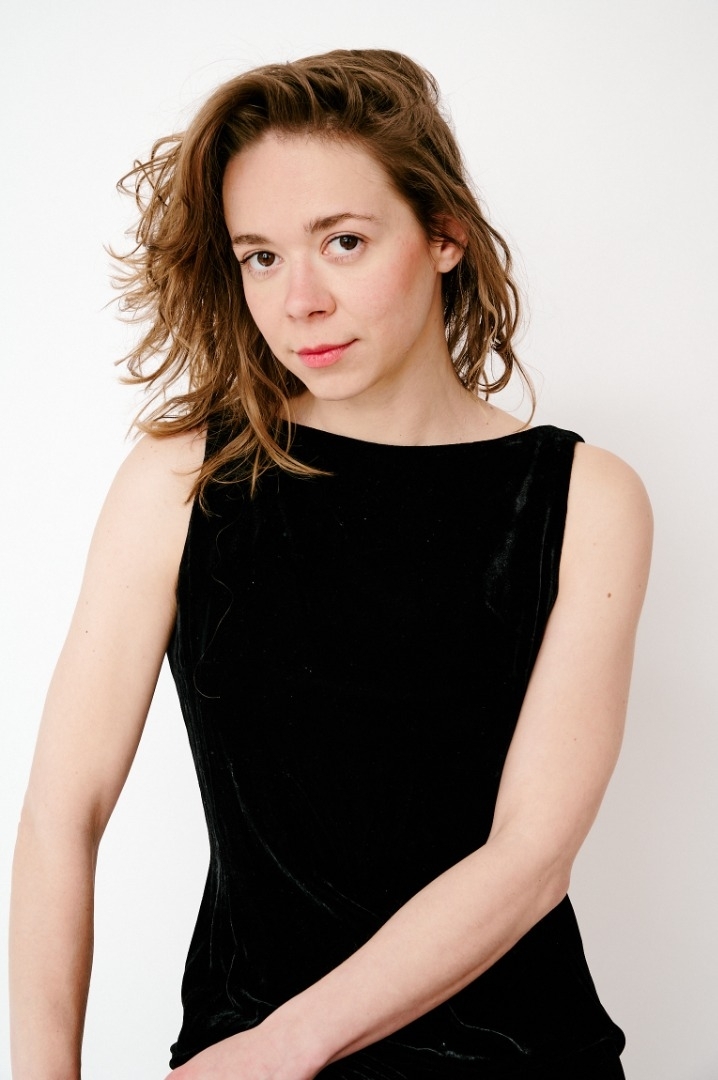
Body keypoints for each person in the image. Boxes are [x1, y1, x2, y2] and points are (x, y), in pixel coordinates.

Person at [9, 49, 652, 1080]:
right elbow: (60, 812)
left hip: (511, 1051)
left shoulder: (584, 497)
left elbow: (530, 859)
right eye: (260, 256)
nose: (298, 299)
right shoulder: (185, 476)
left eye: (342, 242)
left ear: (443, 235)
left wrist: (280, 1052)